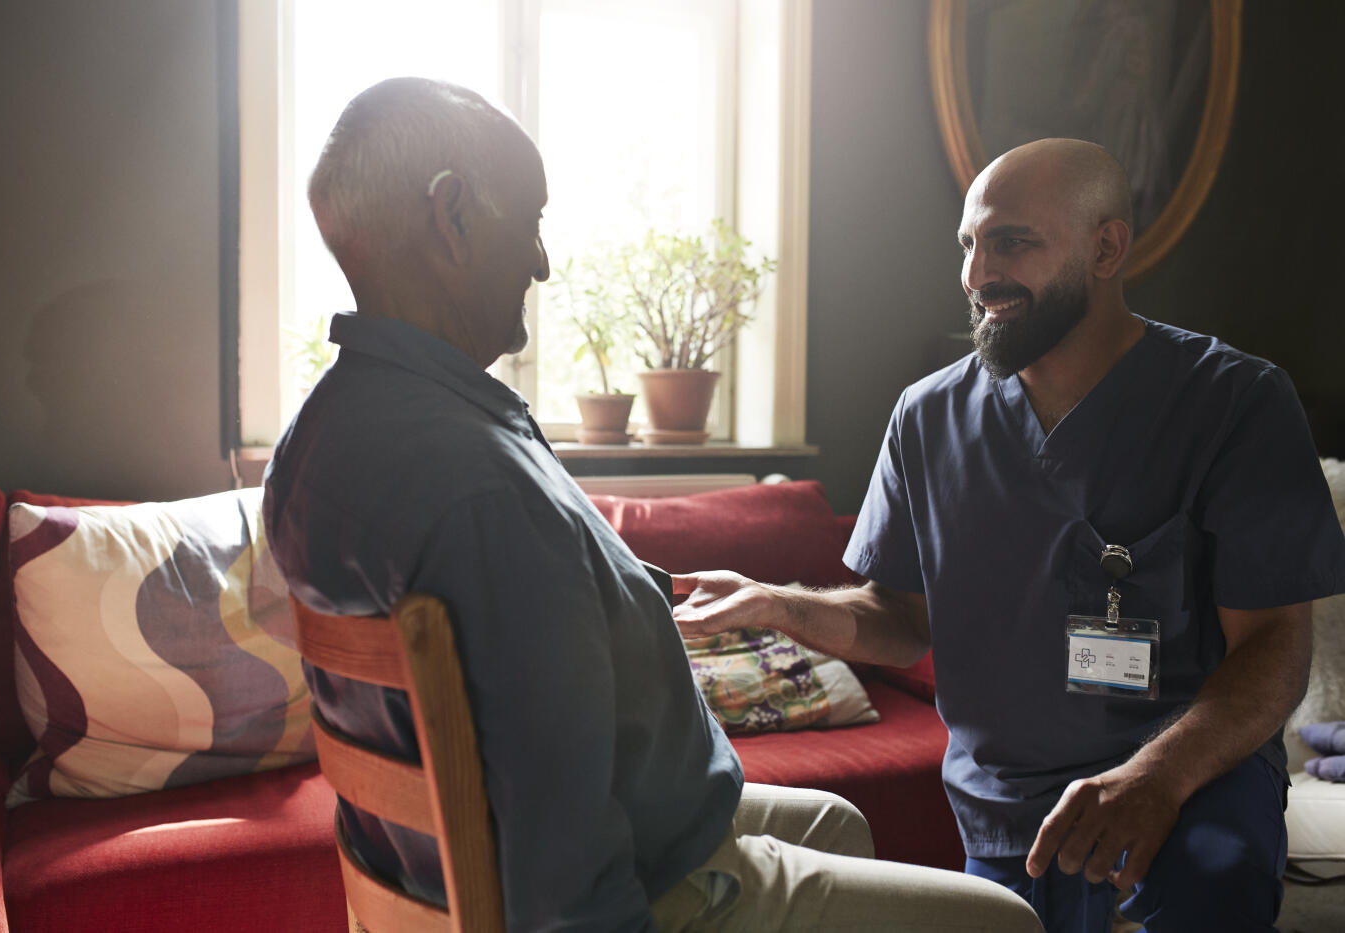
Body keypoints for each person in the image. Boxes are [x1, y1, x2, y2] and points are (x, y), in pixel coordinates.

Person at [263, 77, 1041, 932]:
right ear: (450, 217)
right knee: (1005, 920)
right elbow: (559, 865)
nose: (541, 261)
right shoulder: (481, 491)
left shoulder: (319, 437)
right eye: (530, 222)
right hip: (624, 882)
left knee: (839, 822)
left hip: (445, 854)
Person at [674, 138, 1345, 933]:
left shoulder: (1235, 404)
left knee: (1211, 890)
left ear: (1106, 247)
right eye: (969, 244)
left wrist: (1157, 778)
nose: (976, 273)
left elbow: (1274, 647)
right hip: (1010, 816)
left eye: (1012, 241)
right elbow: (902, 619)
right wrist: (783, 606)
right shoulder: (927, 418)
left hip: (1192, 789)